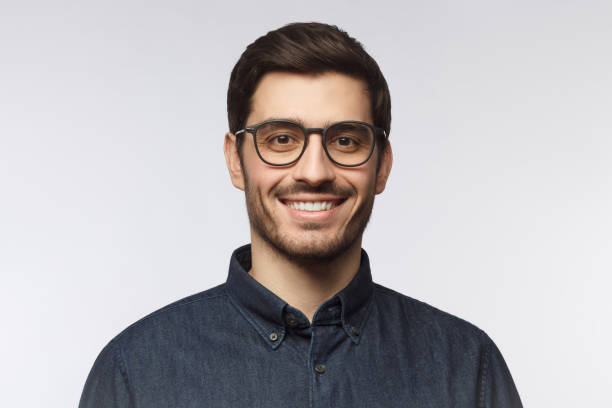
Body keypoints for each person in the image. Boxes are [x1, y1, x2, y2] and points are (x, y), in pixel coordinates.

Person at [79, 22, 523, 407]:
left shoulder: (468, 369)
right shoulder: (134, 373)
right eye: (281, 139)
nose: (314, 172)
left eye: (346, 140)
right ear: (236, 160)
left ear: (382, 164)